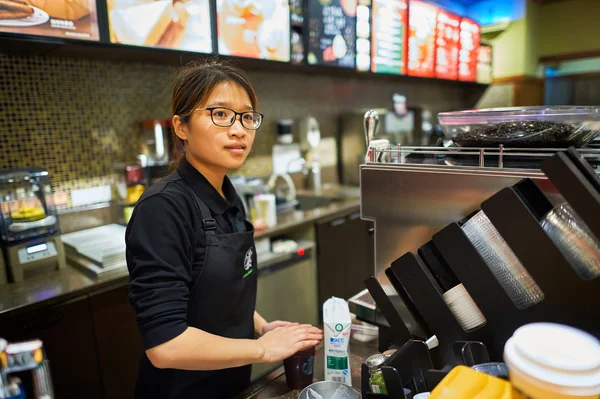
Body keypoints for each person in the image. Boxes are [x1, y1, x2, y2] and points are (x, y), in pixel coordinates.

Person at [126, 60, 323, 399]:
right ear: (181, 127)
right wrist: (263, 350)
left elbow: (219, 291)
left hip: (232, 386)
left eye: (247, 117)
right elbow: (165, 344)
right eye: (220, 114)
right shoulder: (163, 208)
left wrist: (259, 326)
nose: (239, 130)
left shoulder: (228, 195)